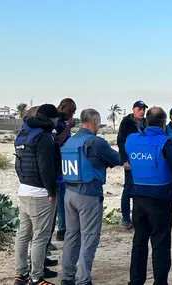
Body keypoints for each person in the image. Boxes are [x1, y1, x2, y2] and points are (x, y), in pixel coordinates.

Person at [60, 108, 121, 285]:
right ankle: (84, 280)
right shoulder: (95, 142)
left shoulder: (71, 141)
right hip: (88, 195)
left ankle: (67, 277)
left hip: (69, 193)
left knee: (71, 236)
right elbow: (117, 159)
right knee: (89, 237)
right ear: (95, 121)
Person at [126, 107, 172, 285]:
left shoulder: (132, 140)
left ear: (146, 121)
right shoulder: (165, 142)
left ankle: (136, 281)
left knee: (139, 242)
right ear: (163, 123)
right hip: (160, 198)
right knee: (160, 243)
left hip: (138, 198)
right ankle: (160, 282)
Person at [13, 104, 61, 285]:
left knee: (23, 234)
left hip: (23, 189)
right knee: (40, 236)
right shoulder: (44, 137)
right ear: (50, 119)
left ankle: (21, 275)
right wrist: (51, 190)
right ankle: (36, 277)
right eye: (56, 117)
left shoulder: (23, 133)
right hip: (40, 193)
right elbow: (46, 167)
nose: (58, 120)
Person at [117, 100, 149, 229]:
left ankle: (138, 217)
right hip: (130, 160)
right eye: (139, 109)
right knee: (128, 188)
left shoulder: (145, 123)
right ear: (133, 110)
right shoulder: (126, 122)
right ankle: (125, 218)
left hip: (144, 160)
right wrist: (124, 160)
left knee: (140, 188)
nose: (141, 112)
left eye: (143, 110)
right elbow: (120, 142)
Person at [53, 98, 77, 242]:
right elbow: (56, 141)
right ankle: (62, 229)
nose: (72, 115)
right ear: (62, 107)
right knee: (60, 200)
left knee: (63, 199)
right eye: (70, 111)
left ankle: (63, 228)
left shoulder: (61, 122)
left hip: (64, 167)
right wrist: (68, 128)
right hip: (55, 167)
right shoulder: (55, 122)